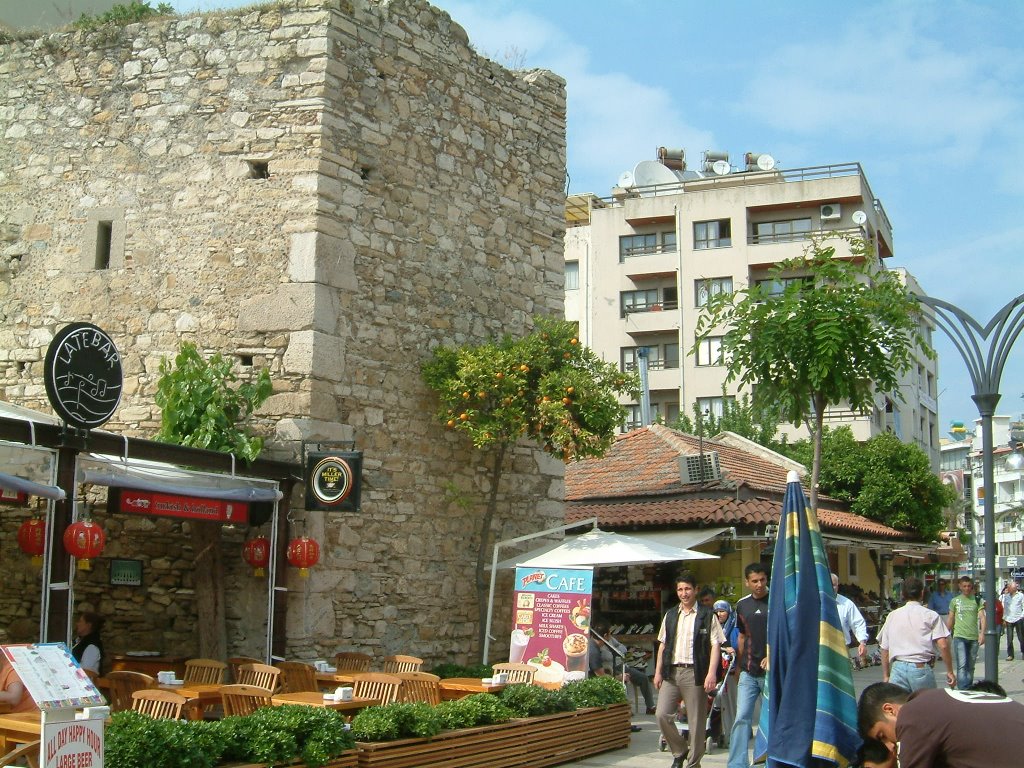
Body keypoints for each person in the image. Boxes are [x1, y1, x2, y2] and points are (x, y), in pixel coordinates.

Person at [857, 681, 1024, 767]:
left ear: (890, 710)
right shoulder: (937, 700)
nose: (889, 745)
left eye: (882, 736)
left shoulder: (913, 714)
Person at [654, 572, 724, 768]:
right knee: (662, 714)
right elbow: (662, 645)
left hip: (695, 672)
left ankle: (693, 763)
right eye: (680, 589)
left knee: (696, 722)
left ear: (695, 590)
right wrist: (658, 671)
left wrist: (711, 673)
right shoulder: (670, 615)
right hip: (672, 672)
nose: (683, 593)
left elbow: (715, 645)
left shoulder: (707, 615)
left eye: (687, 589)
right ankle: (680, 750)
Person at [876, 576, 954, 691]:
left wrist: (886, 675)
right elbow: (943, 645)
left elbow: (884, 649)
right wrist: (950, 671)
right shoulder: (930, 615)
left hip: (898, 669)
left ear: (902, 594)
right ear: (922, 593)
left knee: (900, 707)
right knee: (925, 707)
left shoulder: (892, 616)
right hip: (920, 667)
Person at [727, 563, 769, 768]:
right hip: (748, 673)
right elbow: (742, 637)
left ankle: (765, 761)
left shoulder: (778, 601)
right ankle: (737, 763)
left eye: (762, 579)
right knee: (742, 717)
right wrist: (738, 667)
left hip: (772, 673)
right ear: (747, 583)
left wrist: (772, 656)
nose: (759, 584)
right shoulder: (742, 606)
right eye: (755, 581)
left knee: (770, 719)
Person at [589, 620, 656, 714]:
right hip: (608, 669)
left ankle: (650, 706)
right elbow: (601, 674)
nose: (611, 635)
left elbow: (623, 649)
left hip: (619, 665)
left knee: (643, 678)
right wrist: (619, 677)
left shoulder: (610, 640)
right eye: (609, 633)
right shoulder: (594, 650)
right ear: (605, 635)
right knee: (623, 682)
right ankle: (626, 710)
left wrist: (615, 650)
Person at [946, 575, 984, 689]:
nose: (967, 588)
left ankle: (969, 686)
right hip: (959, 636)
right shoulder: (955, 601)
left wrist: (982, 634)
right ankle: (964, 688)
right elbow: (951, 618)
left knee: (971, 665)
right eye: (964, 586)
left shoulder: (977, 600)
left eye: (968, 586)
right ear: (960, 587)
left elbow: (982, 617)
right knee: (962, 665)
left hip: (973, 637)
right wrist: (946, 632)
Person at [713, 599, 738, 748]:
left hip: (731, 670)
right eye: (716, 612)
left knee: (732, 704)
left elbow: (736, 645)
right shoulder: (713, 627)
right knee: (717, 703)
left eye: (722, 611)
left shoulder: (734, 628)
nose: (719, 614)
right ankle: (720, 732)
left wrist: (727, 648)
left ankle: (734, 734)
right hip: (717, 671)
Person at [831, 573, 868, 669]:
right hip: (820, 649)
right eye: (829, 584)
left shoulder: (847, 604)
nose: (832, 587)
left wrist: (862, 642)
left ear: (838, 586)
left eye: (834, 585)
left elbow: (858, 623)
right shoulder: (815, 602)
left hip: (842, 649)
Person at [71, 611, 104, 675]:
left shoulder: (92, 647)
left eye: (80, 621)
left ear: (88, 625)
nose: (77, 624)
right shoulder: (78, 641)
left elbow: (84, 670)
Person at [1000, 580, 1024, 660]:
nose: (1008, 589)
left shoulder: (1020, 596)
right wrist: (1004, 619)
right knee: (1009, 638)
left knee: (1021, 638)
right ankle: (1010, 655)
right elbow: (1005, 608)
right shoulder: (1006, 596)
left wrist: (1022, 616)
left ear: (1013, 588)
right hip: (1009, 619)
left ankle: (1023, 652)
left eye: (1009, 587)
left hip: (1018, 619)